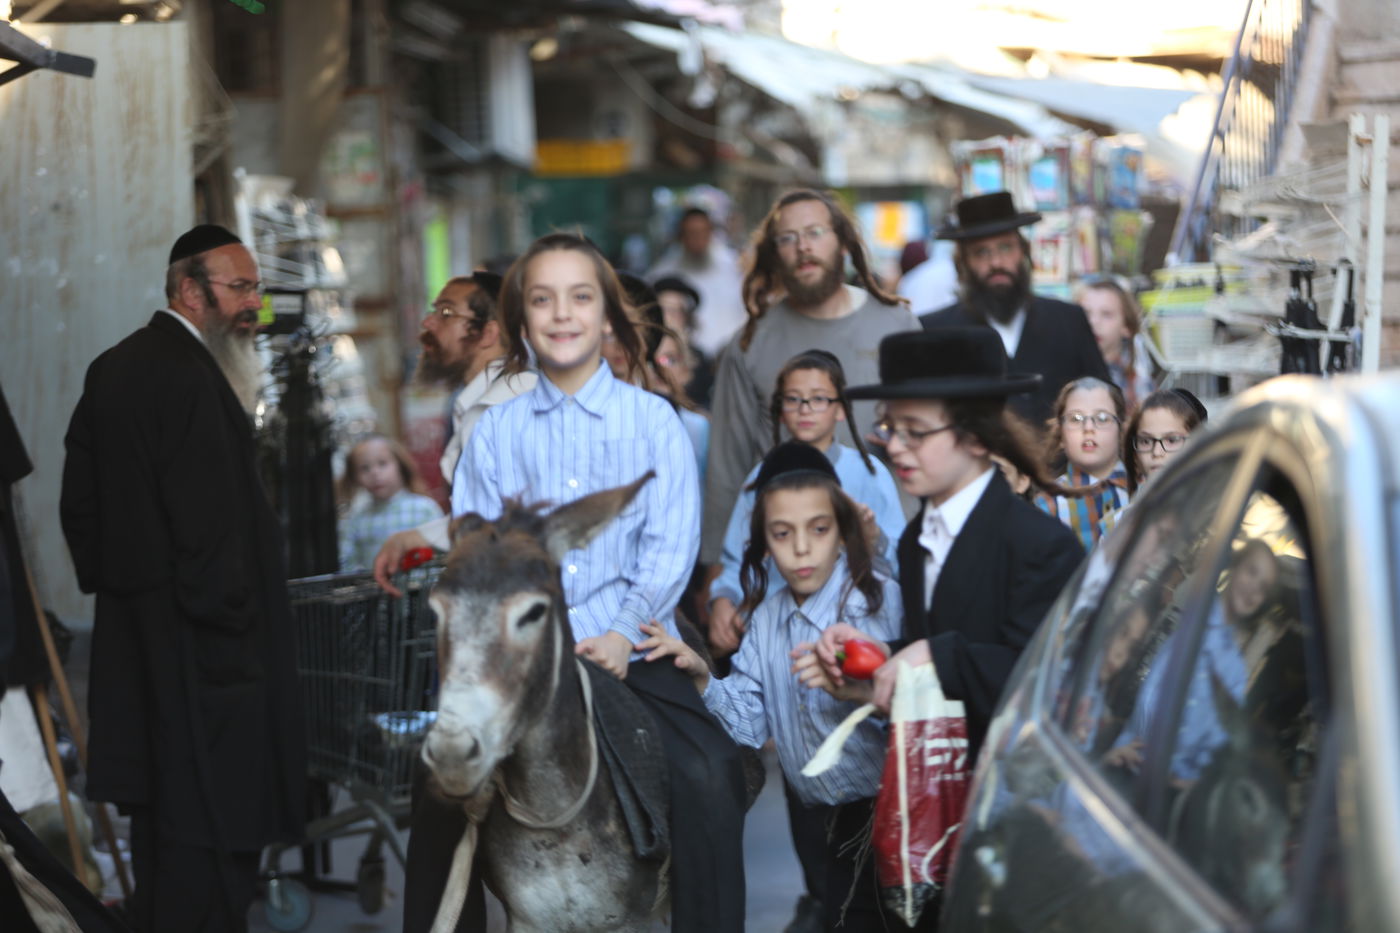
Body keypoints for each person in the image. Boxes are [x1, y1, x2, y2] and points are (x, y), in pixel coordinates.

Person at [404, 233, 747, 933]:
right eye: (543, 299)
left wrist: (621, 632)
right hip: (520, 655)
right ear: (521, 319)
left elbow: (670, 544)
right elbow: (479, 554)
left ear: (607, 316)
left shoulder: (652, 421)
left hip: (635, 639)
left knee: (711, 770)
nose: (562, 313)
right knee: (438, 788)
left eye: (580, 297)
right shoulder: (497, 431)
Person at [59, 224, 305, 931]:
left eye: (257, 288)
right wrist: (231, 624)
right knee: (212, 847)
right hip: (211, 663)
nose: (254, 304)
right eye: (241, 288)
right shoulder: (192, 377)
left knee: (162, 838)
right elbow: (211, 533)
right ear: (190, 291)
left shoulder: (113, 367)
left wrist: (126, 589)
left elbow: (80, 509)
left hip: (140, 647)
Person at [639, 441, 900, 933]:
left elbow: (920, 708)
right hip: (818, 822)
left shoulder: (879, 604)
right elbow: (750, 724)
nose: (801, 548)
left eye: (818, 529)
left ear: (842, 532)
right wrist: (702, 676)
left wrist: (868, 686)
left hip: (886, 814)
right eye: (782, 533)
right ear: (763, 543)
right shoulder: (764, 623)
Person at [812, 327, 1085, 774]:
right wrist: (879, 654)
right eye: (890, 428)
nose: (895, 447)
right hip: (938, 781)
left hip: (1018, 787)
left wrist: (936, 656)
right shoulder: (915, 539)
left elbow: (1045, 678)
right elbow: (944, 644)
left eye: (915, 432)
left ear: (977, 437)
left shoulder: (1041, 545)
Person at [702, 188, 917, 579]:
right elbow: (728, 462)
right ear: (774, 254)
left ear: (844, 243)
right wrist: (719, 574)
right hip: (783, 570)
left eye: (815, 232)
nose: (803, 247)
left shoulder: (896, 326)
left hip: (890, 559)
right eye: (787, 238)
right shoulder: (751, 343)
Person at [708, 349, 903, 658]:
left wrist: (873, 538)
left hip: (853, 631)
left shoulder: (870, 473)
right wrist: (723, 599)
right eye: (793, 399)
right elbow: (738, 556)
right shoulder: (760, 478)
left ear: (841, 409)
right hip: (774, 632)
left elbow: (900, 561)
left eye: (819, 399)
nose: (805, 409)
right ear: (779, 410)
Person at [371, 271, 536, 592]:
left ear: (488, 333)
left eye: (446, 313)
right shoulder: (480, 403)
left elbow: (519, 520)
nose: (429, 323)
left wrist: (419, 536)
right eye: (434, 311)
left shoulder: (514, 408)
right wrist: (417, 537)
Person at [920, 191, 1110, 427]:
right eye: (981, 252)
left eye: (1005, 248)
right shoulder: (936, 331)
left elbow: (1103, 399)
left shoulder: (1068, 320)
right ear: (964, 263)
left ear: (1024, 251)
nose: (996, 263)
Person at [1034, 377, 1130, 552]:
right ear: (1060, 434)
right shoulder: (1045, 505)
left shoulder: (1144, 491)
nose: (1088, 428)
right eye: (1076, 418)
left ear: (1121, 430)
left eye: (1102, 418)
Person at [647, 206, 748, 359]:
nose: (698, 239)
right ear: (681, 236)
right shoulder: (663, 273)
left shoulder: (734, 267)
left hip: (731, 356)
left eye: (703, 232)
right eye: (691, 233)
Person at [337, 434, 442, 571]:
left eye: (382, 463)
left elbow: (441, 553)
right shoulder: (357, 520)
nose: (374, 473)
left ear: (400, 466)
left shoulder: (424, 508)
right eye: (364, 468)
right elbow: (347, 563)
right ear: (355, 477)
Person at [1078, 278, 1156, 411]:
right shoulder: (1062, 372)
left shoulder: (1138, 384)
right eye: (1085, 313)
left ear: (1127, 326)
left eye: (1106, 314)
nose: (1093, 322)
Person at [653, 273, 715, 407]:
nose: (672, 317)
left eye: (679, 311)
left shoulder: (700, 361)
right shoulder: (638, 350)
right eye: (666, 309)